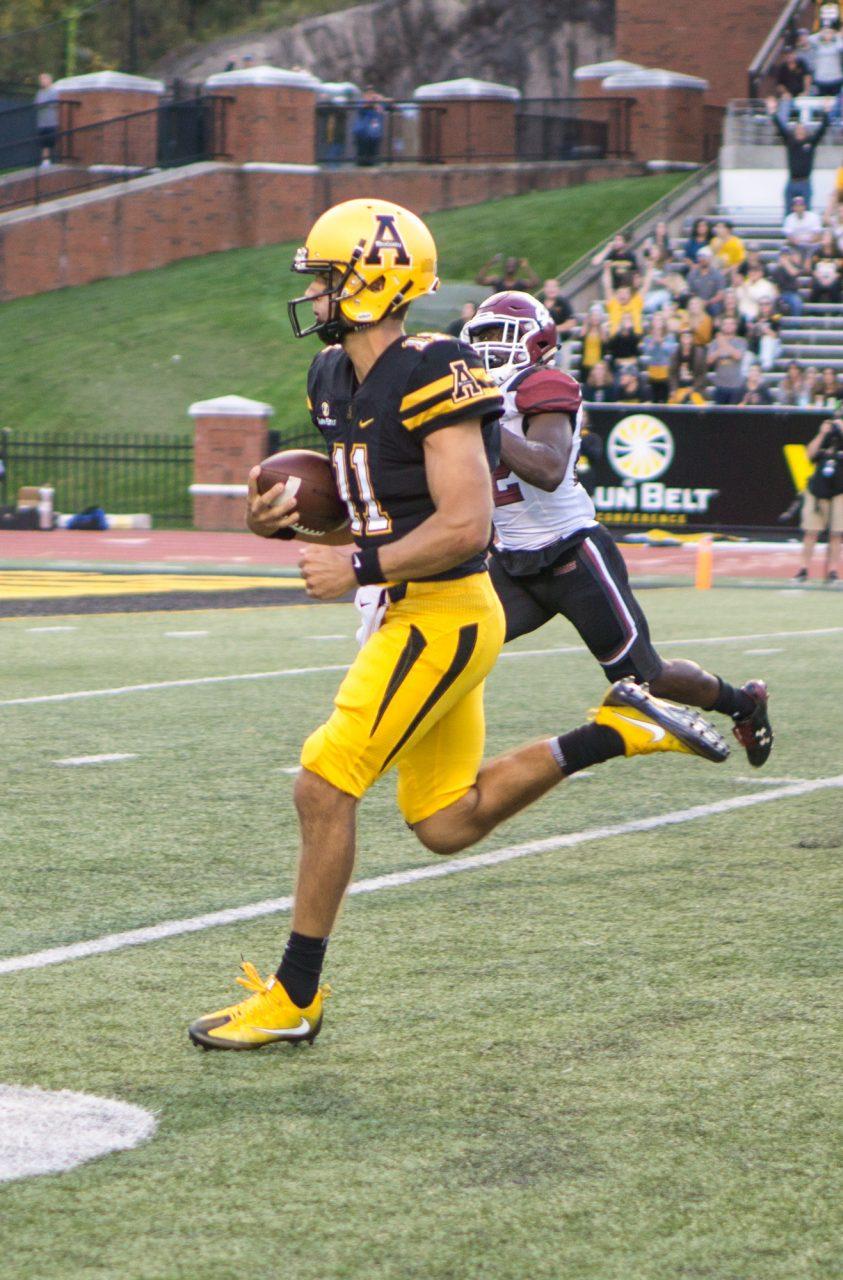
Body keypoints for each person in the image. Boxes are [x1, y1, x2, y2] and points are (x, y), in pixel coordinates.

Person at [187, 201, 728, 1051]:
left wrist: (355, 568)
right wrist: (286, 524)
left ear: (371, 281)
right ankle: (614, 731)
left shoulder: (438, 367)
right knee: (446, 820)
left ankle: (294, 998)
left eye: (326, 279)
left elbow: (466, 523)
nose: (316, 297)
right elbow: (364, 518)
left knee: (322, 783)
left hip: (444, 611)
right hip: (416, 607)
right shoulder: (332, 379)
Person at [458, 288, 773, 768]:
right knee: (453, 643)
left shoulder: (544, 384)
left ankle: (742, 703)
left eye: (496, 336)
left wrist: (481, 420)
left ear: (536, 342)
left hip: (571, 556)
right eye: (477, 337)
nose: (484, 348)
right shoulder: (474, 398)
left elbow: (547, 467)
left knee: (645, 677)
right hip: (511, 561)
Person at [793, 417, 843, 581]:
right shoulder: (823, 439)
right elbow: (809, 454)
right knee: (811, 532)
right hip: (818, 490)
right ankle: (804, 568)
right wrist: (822, 434)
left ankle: (833, 571)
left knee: (836, 533)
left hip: (839, 491)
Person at [767, 96, 831, 211]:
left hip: (805, 182)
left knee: (806, 211)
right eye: (798, 129)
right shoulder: (791, 142)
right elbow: (780, 128)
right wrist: (773, 112)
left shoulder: (810, 142)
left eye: (802, 129)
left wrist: (826, 111)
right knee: (788, 211)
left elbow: (822, 129)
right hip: (792, 181)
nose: (800, 132)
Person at [707, 316, 749, 405]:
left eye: (731, 324)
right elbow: (709, 360)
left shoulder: (741, 341)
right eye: (726, 324)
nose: (728, 326)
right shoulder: (715, 342)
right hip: (720, 385)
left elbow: (738, 356)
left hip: (736, 385)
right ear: (722, 326)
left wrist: (724, 345)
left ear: (735, 326)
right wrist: (719, 351)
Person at [669, 329, 708, 403]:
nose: (686, 339)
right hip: (680, 387)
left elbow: (702, 375)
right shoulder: (675, 354)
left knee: (700, 406)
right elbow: (672, 374)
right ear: (680, 339)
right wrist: (673, 389)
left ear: (692, 339)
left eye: (688, 337)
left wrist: (694, 388)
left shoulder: (699, 353)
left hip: (695, 388)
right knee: (672, 403)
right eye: (684, 337)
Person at [686, 246, 727, 315]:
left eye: (705, 257)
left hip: (712, 303)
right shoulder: (692, 275)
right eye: (700, 257)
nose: (702, 260)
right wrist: (698, 302)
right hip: (697, 303)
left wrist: (708, 302)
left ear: (710, 258)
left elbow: (720, 294)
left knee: (715, 307)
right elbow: (690, 292)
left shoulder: (717, 274)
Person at [784, 194, 824, 261]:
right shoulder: (789, 219)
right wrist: (799, 242)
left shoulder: (813, 217)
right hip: (796, 246)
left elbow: (817, 235)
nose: (799, 208)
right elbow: (789, 237)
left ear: (804, 207)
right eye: (796, 206)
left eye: (801, 206)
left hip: (812, 245)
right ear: (793, 208)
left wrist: (806, 241)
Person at [352, 86, 385, 166]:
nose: (370, 96)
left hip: (375, 135)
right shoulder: (362, 103)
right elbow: (362, 106)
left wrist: (381, 100)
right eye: (368, 94)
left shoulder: (379, 104)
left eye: (372, 94)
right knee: (362, 157)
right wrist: (371, 103)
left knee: (373, 157)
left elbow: (391, 104)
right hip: (362, 134)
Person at [475, 254, 539, 292]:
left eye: (513, 264)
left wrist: (526, 267)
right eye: (508, 264)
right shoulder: (497, 280)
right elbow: (479, 280)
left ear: (516, 268)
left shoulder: (520, 283)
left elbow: (535, 283)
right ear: (504, 267)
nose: (510, 266)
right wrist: (489, 264)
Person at [34, 72, 59, 167]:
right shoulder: (40, 92)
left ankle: (53, 160)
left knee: (51, 141)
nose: (42, 82)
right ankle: (45, 161)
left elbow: (53, 104)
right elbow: (37, 104)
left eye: (44, 79)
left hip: (51, 122)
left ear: (49, 80)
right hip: (42, 123)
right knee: (44, 143)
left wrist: (43, 104)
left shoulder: (53, 91)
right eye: (41, 80)